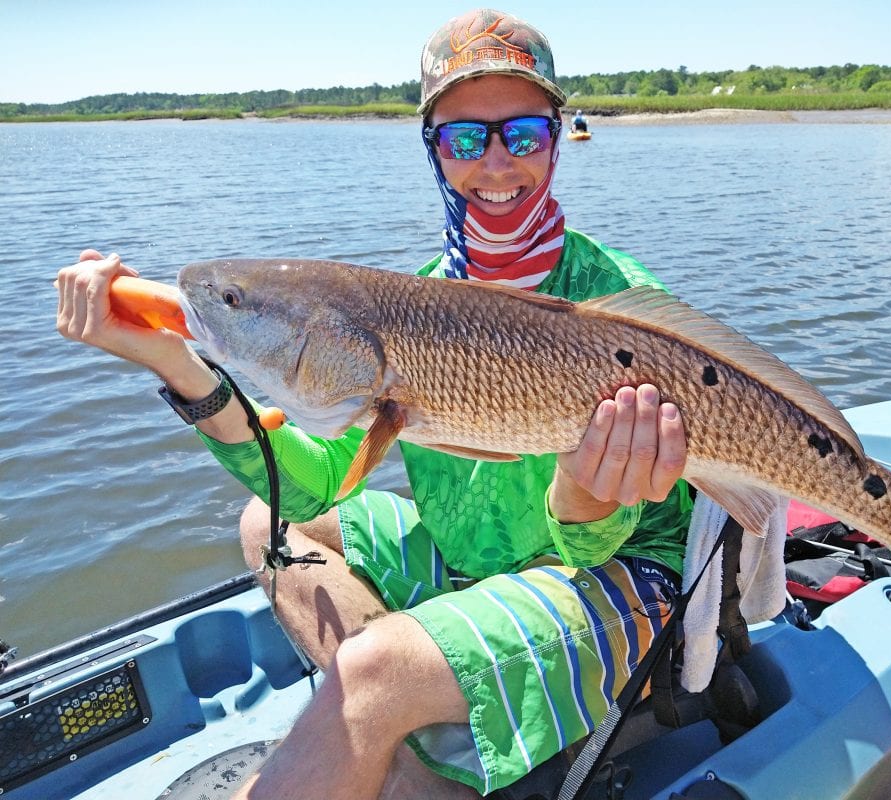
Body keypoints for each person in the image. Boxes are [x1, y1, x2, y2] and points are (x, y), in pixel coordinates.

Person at [55, 8, 692, 799]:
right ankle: (401, 730)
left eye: (521, 134)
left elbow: (593, 550)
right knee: (269, 525)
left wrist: (587, 492)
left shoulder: (624, 311)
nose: (495, 165)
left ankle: (385, 707)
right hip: (470, 561)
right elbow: (315, 487)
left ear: (558, 137)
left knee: (372, 668)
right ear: (432, 148)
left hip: (615, 578)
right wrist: (177, 363)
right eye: (465, 139)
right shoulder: (414, 295)